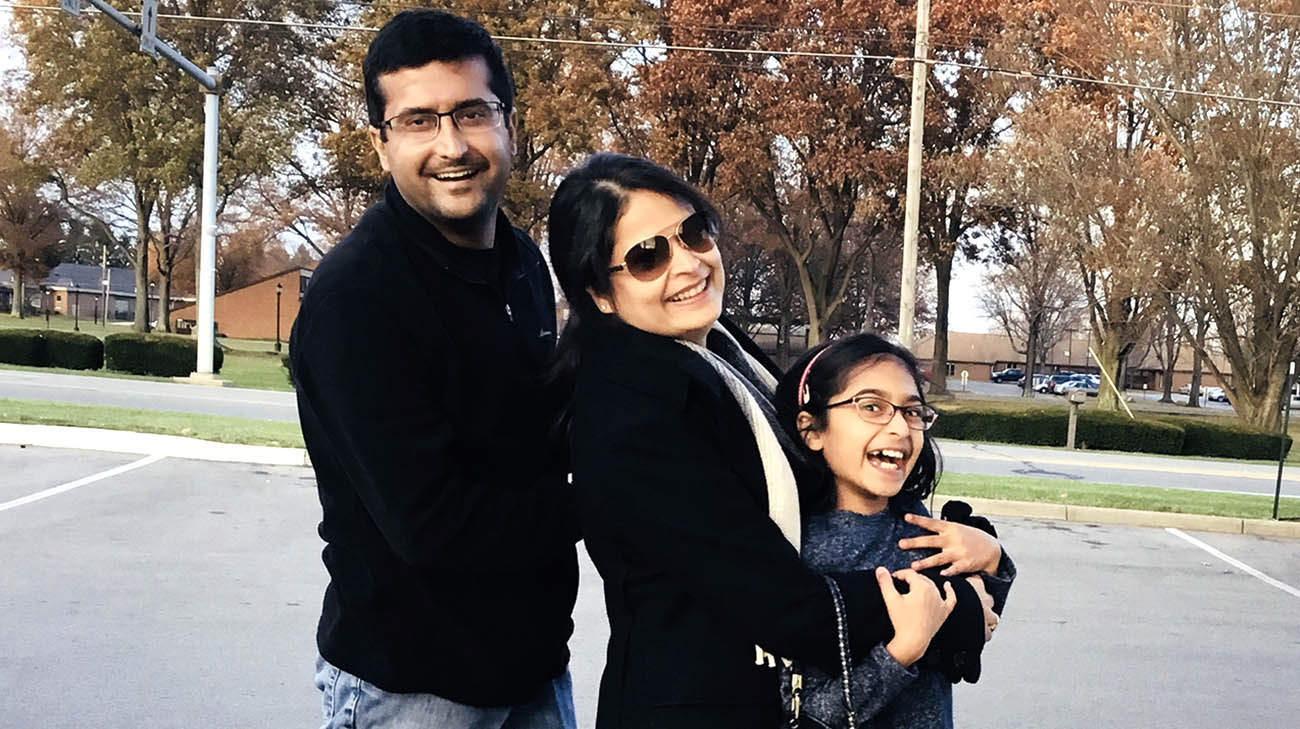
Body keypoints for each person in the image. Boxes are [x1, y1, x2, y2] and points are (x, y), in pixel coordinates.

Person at [546, 153, 990, 729]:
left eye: (694, 232)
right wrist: (951, 609)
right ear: (599, 293)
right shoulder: (634, 412)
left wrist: (979, 549)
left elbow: (841, 490)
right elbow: (782, 605)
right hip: (695, 707)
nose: (687, 264)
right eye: (648, 256)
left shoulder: (715, 352)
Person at [290, 10, 578, 729]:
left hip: (535, 672)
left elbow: (539, 435)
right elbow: (435, 527)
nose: (451, 145)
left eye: (471, 113)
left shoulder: (520, 262)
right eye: (419, 120)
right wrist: (612, 494)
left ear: (508, 124)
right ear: (380, 144)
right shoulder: (358, 301)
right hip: (414, 689)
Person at [774, 334, 1017, 728]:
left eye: (911, 411)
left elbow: (980, 628)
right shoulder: (800, 550)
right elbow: (809, 715)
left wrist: (991, 558)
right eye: (872, 407)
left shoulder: (919, 525)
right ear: (812, 429)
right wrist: (902, 652)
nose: (900, 428)